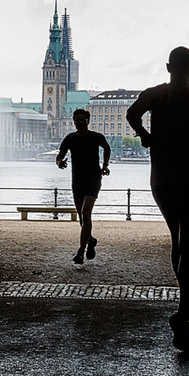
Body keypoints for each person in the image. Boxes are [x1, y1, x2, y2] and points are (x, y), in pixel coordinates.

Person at [126, 47, 189, 351]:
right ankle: (184, 307)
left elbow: (131, 114)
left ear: (168, 66)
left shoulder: (154, 95)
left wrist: (145, 134)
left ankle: (185, 306)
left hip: (163, 179)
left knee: (176, 238)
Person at [56, 109, 111, 266]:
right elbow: (60, 155)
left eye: (82, 119)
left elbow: (107, 148)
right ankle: (91, 240)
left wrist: (105, 165)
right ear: (74, 121)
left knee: (86, 213)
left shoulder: (96, 137)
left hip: (93, 179)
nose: (80, 122)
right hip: (77, 181)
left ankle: (81, 251)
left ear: (88, 121)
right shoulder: (70, 139)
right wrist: (60, 162)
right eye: (77, 120)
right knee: (82, 216)